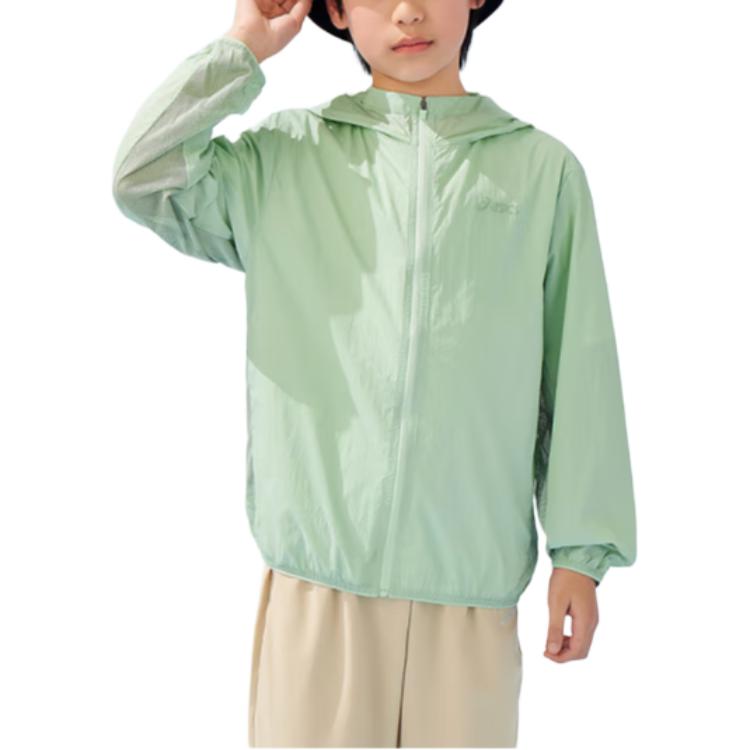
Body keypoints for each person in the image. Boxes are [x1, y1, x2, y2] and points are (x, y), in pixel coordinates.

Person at [111, 0, 638, 745]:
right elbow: (143, 176)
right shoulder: (286, 159)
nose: (408, 12)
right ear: (334, 9)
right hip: (318, 594)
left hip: (470, 599)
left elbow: (578, 369)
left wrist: (581, 555)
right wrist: (243, 47)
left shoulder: (542, 171)